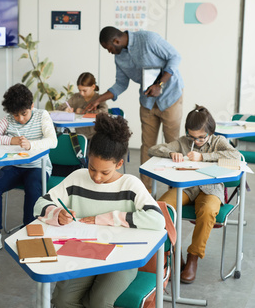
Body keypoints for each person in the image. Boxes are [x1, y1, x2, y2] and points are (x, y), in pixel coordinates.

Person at [34, 113, 165, 308]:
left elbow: (157, 220)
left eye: (105, 172)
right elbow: (40, 204)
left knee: (100, 302)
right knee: (61, 301)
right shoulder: (77, 177)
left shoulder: (130, 185)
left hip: (121, 258)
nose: (96, 177)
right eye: (92, 168)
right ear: (88, 158)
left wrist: (109, 218)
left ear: (119, 164)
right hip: (83, 253)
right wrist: (56, 214)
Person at [148, 105, 241, 284]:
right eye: (192, 136)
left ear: (210, 132)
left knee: (207, 211)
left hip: (211, 188)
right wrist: (172, 152)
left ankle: (193, 258)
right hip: (186, 188)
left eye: (201, 137)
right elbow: (153, 149)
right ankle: (174, 253)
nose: (196, 141)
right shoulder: (183, 142)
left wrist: (203, 157)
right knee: (161, 209)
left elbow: (235, 156)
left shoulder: (218, 141)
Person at [86, 26, 184, 190]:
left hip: (170, 97)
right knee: (148, 147)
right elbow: (120, 84)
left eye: (109, 48)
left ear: (116, 41)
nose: (109, 52)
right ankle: (144, 192)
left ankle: (174, 191)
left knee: (172, 145)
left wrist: (160, 84)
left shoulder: (148, 39)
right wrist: (99, 99)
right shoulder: (119, 58)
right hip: (147, 101)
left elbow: (175, 57)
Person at [0, 83, 58, 257]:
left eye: (24, 113)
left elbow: (53, 141)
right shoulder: (8, 120)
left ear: (32, 107)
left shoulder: (42, 115)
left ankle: (28, 234)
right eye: (16, 115)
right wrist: (11, 141)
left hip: (38, 166)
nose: (20, 118)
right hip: (15, 166)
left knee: (33, 188)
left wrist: (32, 144)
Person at [56, 72, 109, 139]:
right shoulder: (76, 97)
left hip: (97, 137)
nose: (81, 93)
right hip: (80, 137)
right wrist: (65, 109)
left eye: (84, 90)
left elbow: (104, 112)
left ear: (93, 87)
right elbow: (60, 107)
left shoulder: (99, 98)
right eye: (79, 90)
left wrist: (83, 111)